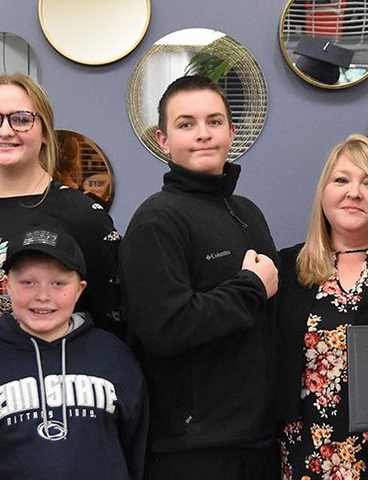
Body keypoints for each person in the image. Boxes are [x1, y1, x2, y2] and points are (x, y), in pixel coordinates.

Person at [119, 74, 281, 480]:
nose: (203, 134)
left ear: (231, 131)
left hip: (259, 438)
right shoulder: (156, 221)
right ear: (163, 139)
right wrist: (250, 288)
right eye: (186, 124)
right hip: (191, 450)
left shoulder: (248, 212)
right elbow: (165, 326)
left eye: (213, 121)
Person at [0, 73, 121, 365]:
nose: (5, 131)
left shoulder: (80, 215)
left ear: (44, 132)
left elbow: (113, 322)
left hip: (46, 398)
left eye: (20, 119)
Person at [274, 135, 368, 479]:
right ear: (324, 193)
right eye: (341, 180)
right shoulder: (288, 268)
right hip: (306, 457)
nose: (354, 192)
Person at [0, 225, 148, 479]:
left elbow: (135, 447)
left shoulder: (114, 356)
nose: (42, 296)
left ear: (80, 289)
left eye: (58, 283)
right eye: (28, 283)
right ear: (6, 286)